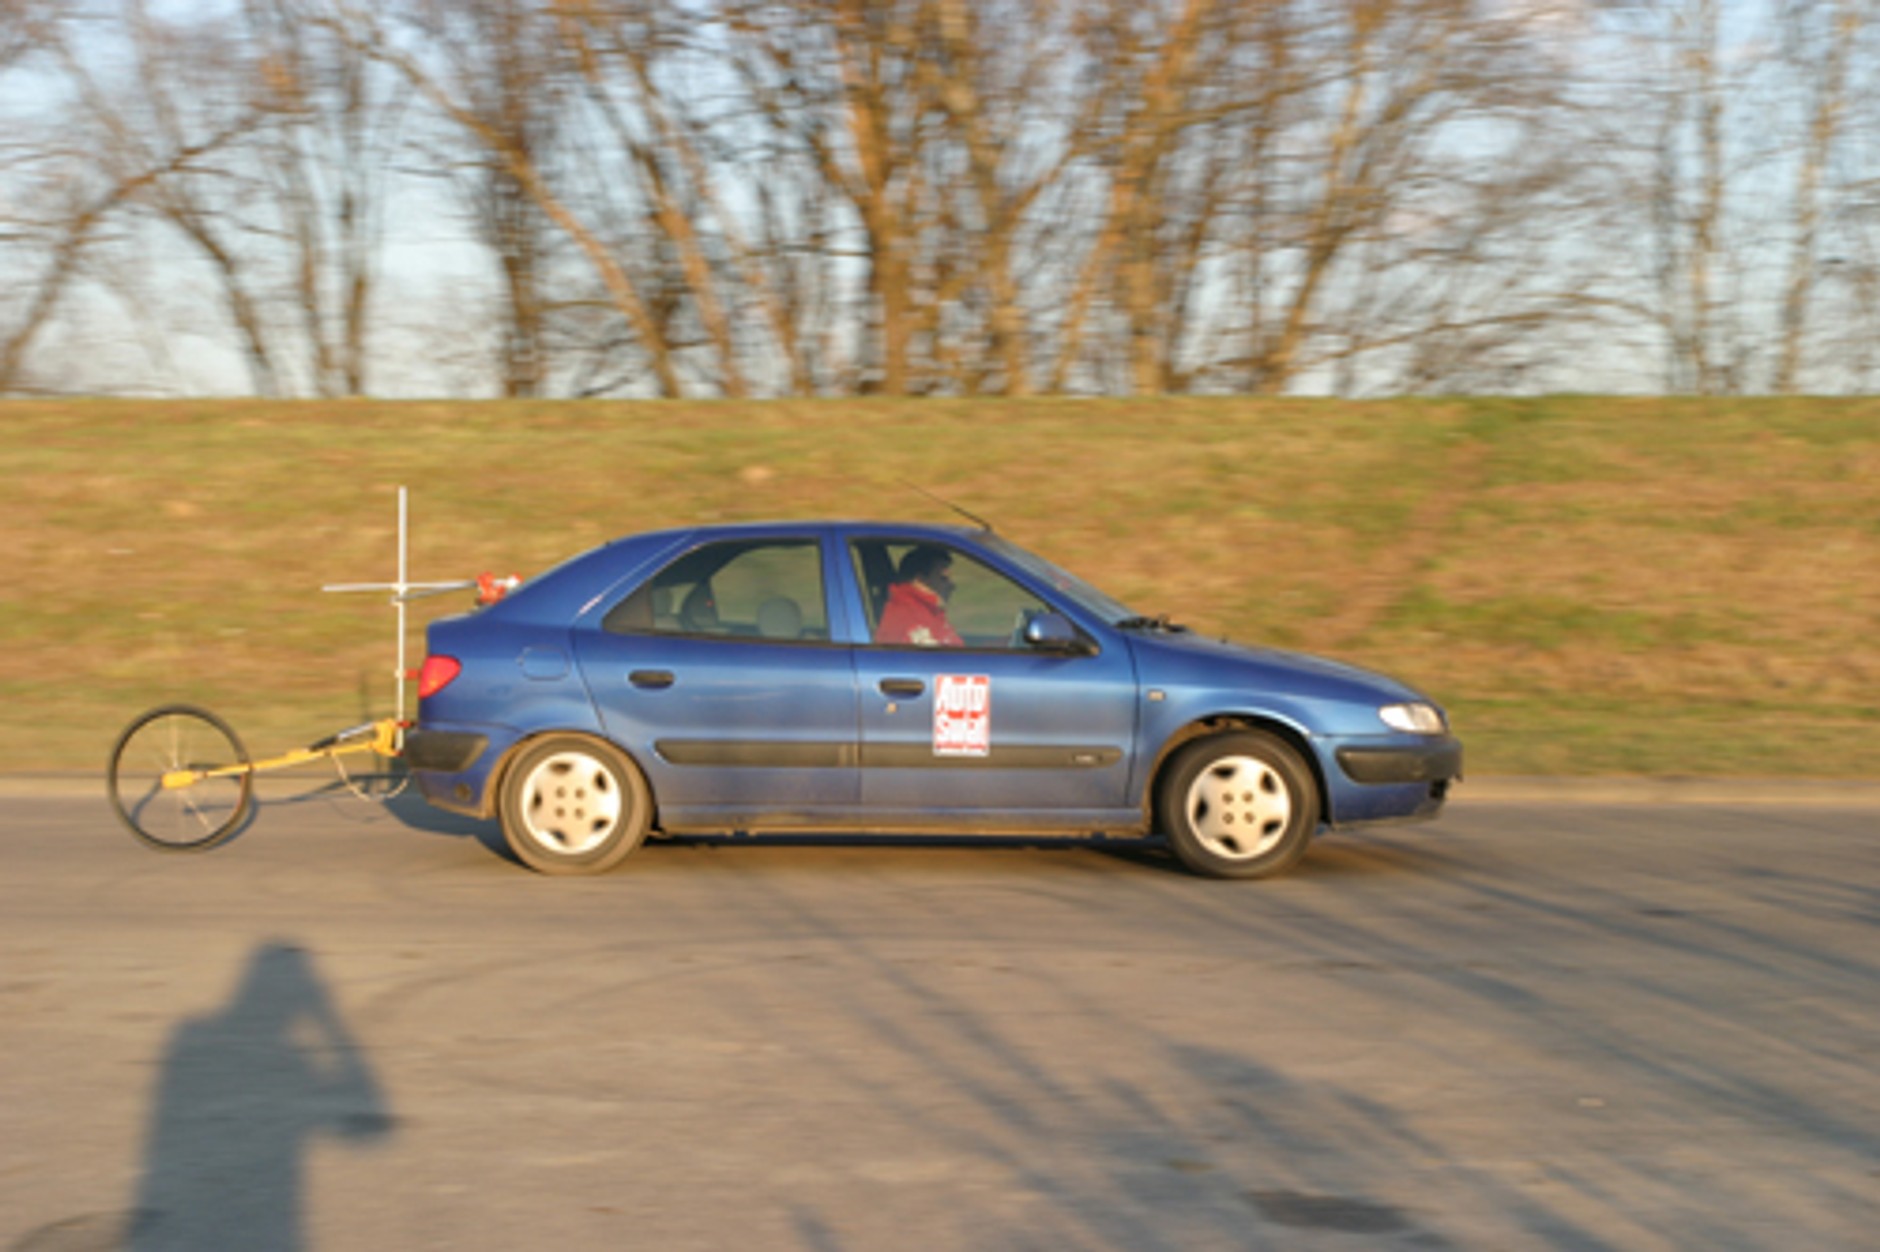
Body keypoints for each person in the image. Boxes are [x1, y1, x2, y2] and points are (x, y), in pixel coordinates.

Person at [876, 545, 963, 646]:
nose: (952, 585)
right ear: (920, 581)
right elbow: (936, 660)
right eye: (943, 578)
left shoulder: (930, 613)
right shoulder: (905, 617)